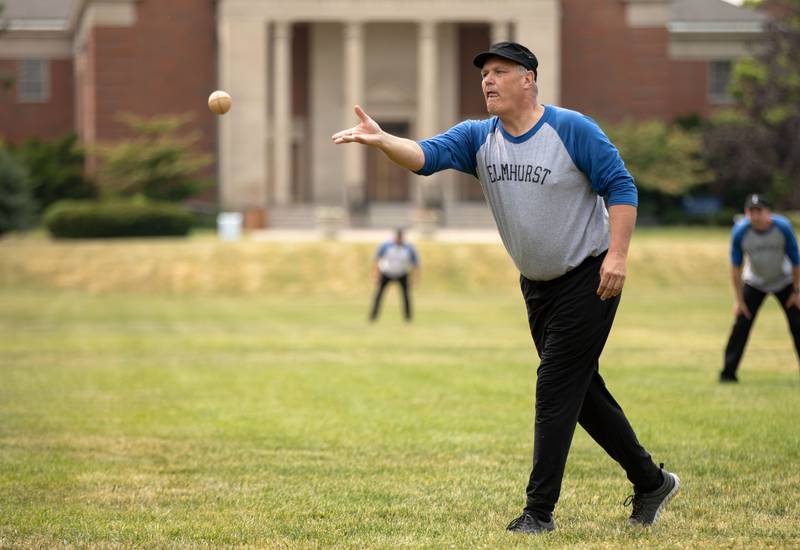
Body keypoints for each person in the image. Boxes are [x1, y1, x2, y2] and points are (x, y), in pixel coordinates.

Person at [333, 41, 680, 533]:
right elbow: (425, 156)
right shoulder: (478, 137)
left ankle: (538, 513)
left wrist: (619, 257)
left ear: (528, 80)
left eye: (500, 71)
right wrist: (384, 138)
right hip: (537, 286)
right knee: (581, 395)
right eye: (484, 74)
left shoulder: (571, 129)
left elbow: (621, 187)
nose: (488, 81)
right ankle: (651, 481)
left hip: (590, 275)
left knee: (555, 389)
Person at [721, 194, 800, 382]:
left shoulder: (782, 228)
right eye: (751, 211)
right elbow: (735, 267)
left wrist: (797, 292)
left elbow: (796, 261)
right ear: (746, 213)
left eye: (759, 211)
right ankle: (728, 374)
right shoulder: (740, 231)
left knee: (797, 324)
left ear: (768, 213)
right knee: (741, 324)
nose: (755, 216)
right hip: (755, 282)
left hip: (785, 281)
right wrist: (739, 301)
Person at [370, 228, 419, 322]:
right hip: (387, 273)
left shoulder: (409, 248)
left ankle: (408, 319)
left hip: (402, 273)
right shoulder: (386, 246)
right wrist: (376, 275)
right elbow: (377, 260)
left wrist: (415, 279)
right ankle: (373, 317)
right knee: (379, 295)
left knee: (406, 297)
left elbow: (415, 264)